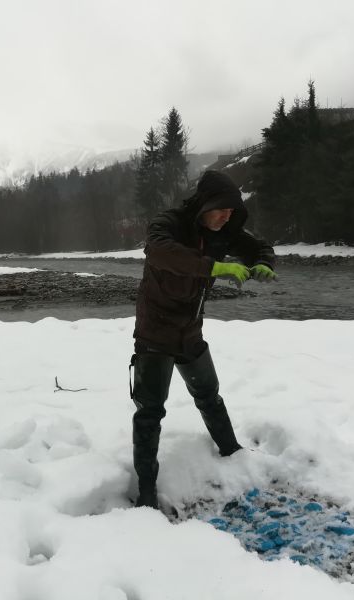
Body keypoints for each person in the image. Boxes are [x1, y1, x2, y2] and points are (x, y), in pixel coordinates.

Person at [130, 169, 276, 509]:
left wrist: (264, 263)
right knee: (150, 411)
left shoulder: (225, 230)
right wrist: (214, 267)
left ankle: (231, 451)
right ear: (204, 205)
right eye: (221, 209)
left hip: (190, 329)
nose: (227, 217)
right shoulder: (169, 224)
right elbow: (160, 252)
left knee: (209, 394)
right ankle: (147, 491)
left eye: (232, 212)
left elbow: (258, 247)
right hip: (155, 331)